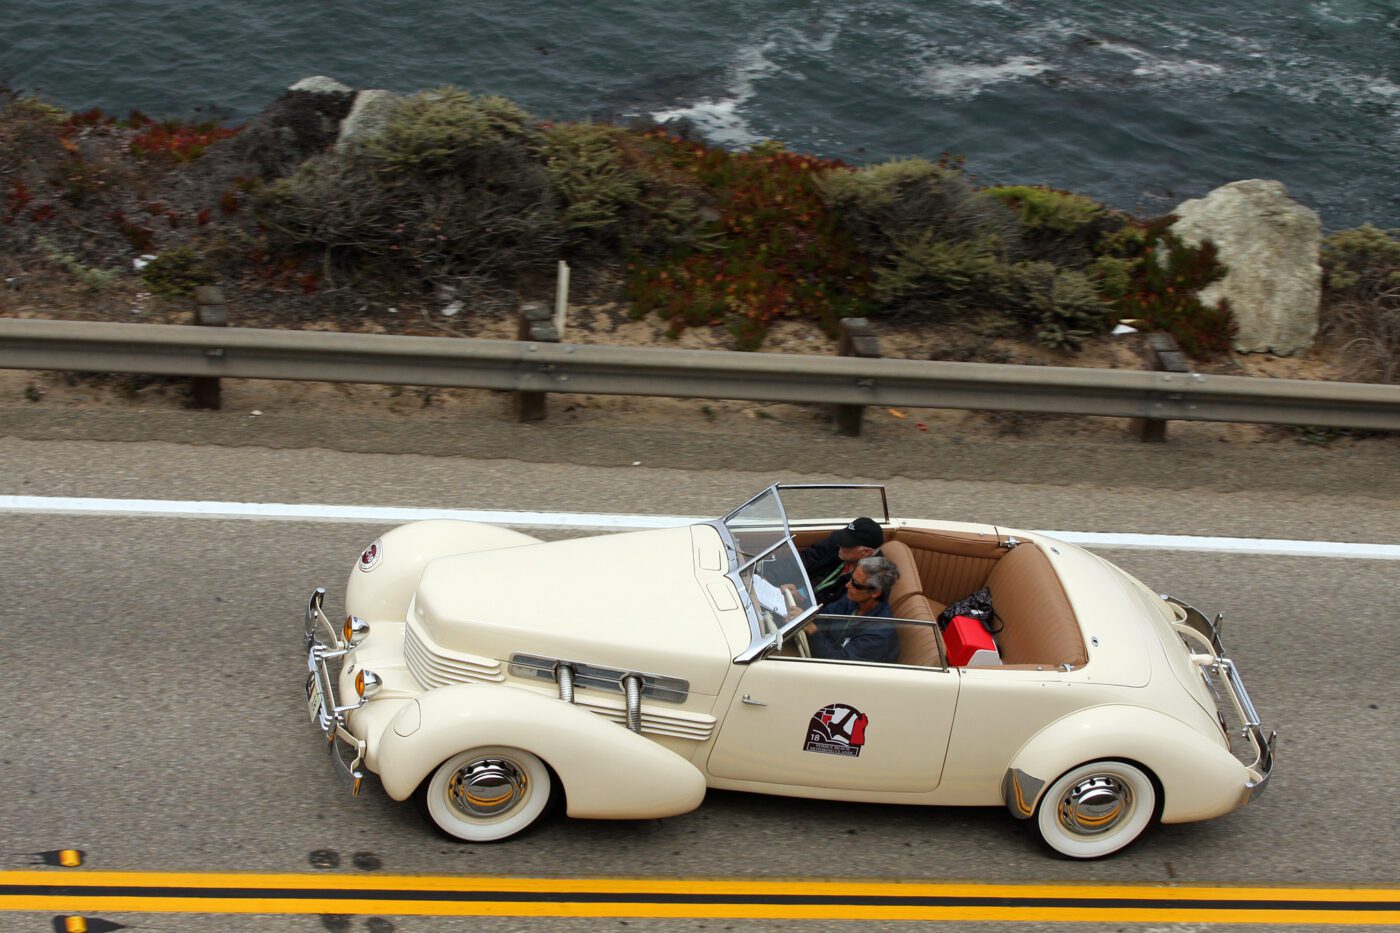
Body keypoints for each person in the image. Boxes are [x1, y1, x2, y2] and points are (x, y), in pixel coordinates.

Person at [803, 556, 900, 663]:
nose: (847, 585)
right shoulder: (853, 600)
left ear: (875, 593)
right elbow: (824, 618)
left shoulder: (878, 636)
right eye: (851, 578)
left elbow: (838, 663)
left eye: (856, 584)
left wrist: (813, 633)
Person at [800, 516, 884, 606]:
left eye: (847, 543)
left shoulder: (864, 581)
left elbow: (839, 609)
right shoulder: (843, 552)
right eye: (842, 538)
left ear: (866, 552)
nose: (840, 544)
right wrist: (802, 593)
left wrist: (805, 606)